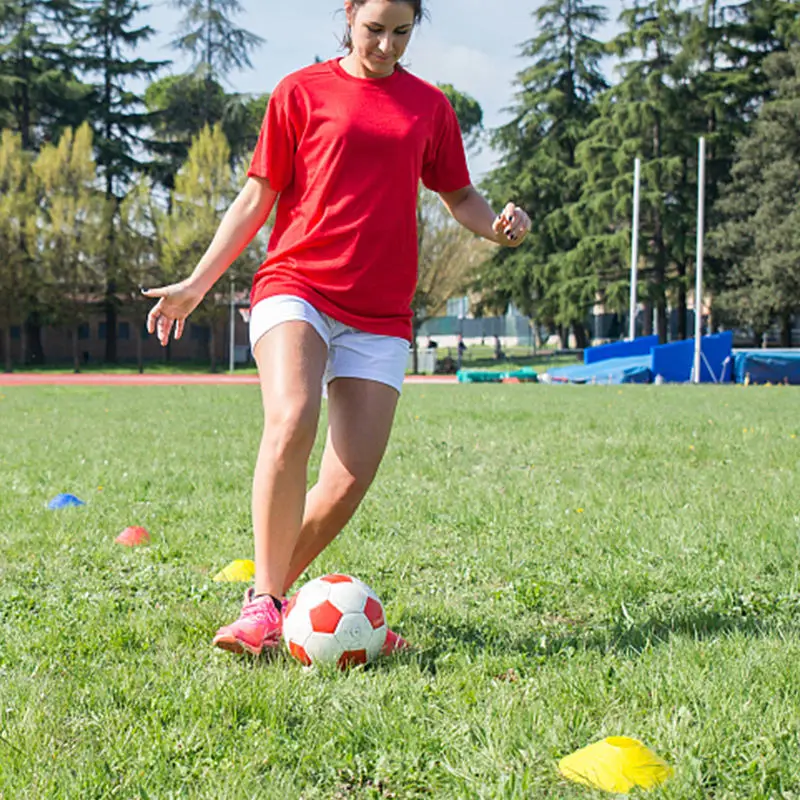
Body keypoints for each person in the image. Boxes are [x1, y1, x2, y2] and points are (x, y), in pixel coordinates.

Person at [143, 0, 531, 657]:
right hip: (297, 284)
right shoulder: (300, 91)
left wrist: (496, 226)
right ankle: (267, 602)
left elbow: (459, 194)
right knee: (292, 416)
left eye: (401, 33)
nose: (385, 44)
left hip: (380, 312)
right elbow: (257, 197)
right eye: (374, 28)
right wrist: (197, 283)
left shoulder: (429, 108)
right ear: (348, 15)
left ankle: (269, 601)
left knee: (349, 479)